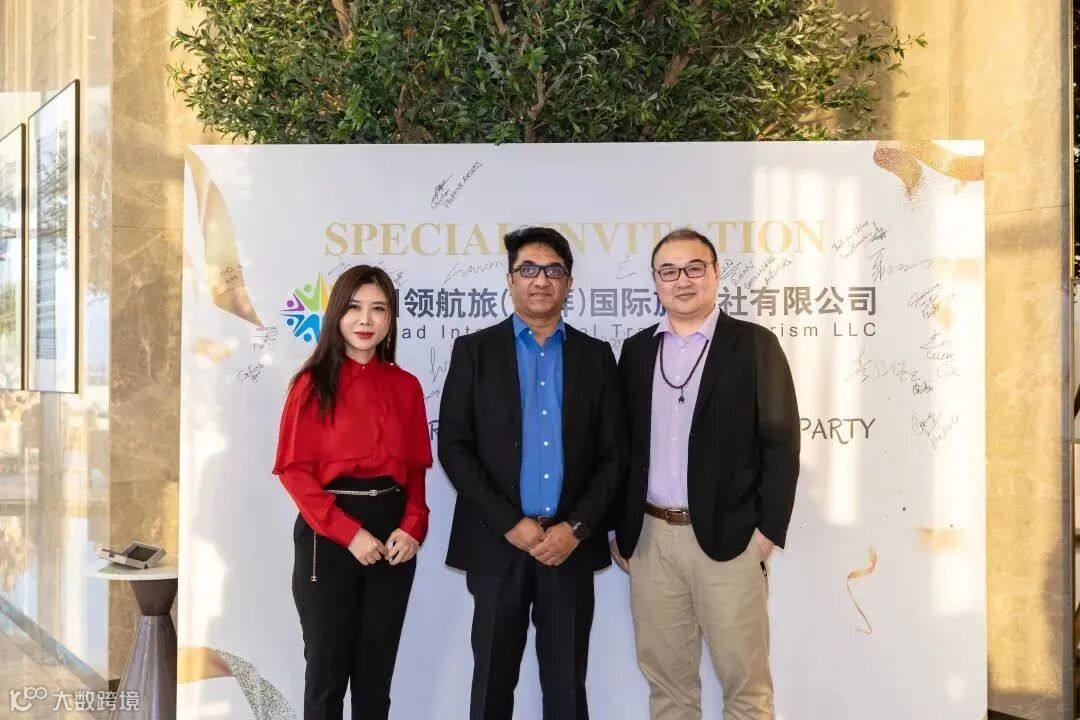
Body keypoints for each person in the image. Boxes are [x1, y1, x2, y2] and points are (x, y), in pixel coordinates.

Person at [611, 228, 800, 720]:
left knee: (746, 688)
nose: (683, 280)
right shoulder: (636, 351)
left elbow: (781, 445)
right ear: (656, 281)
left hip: (730, 540)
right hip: (650, 539)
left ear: (716, 274)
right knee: (668, 689)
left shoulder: (755, 345)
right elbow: (620, 447)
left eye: (695, 268)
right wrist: (619, 529)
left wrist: (766, 533)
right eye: (669, 271)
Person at [438, 226, 625, 720]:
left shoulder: (596, 356)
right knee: (491, 684)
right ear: (510, 279)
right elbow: (454, 447)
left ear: (568, 282)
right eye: (528, 269)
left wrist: (576, 528)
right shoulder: (474, 351)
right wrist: (510, 523)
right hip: (497, 545)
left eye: (553, 270)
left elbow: (614, 456)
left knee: (567, 688)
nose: (540, 280)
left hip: (569, 547)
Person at [272, 265, 432, 720]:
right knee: (326, 677)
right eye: (354, 308)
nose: (366, 320)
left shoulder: (406, 385)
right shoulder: (310, 384)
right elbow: (294, 473)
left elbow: (415, 471)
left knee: (375, 681)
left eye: (378, 309)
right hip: (328, 537)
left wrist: (414, 526)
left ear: (390, 319)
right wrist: (349, 533)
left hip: (394, 540)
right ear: (337, 315)